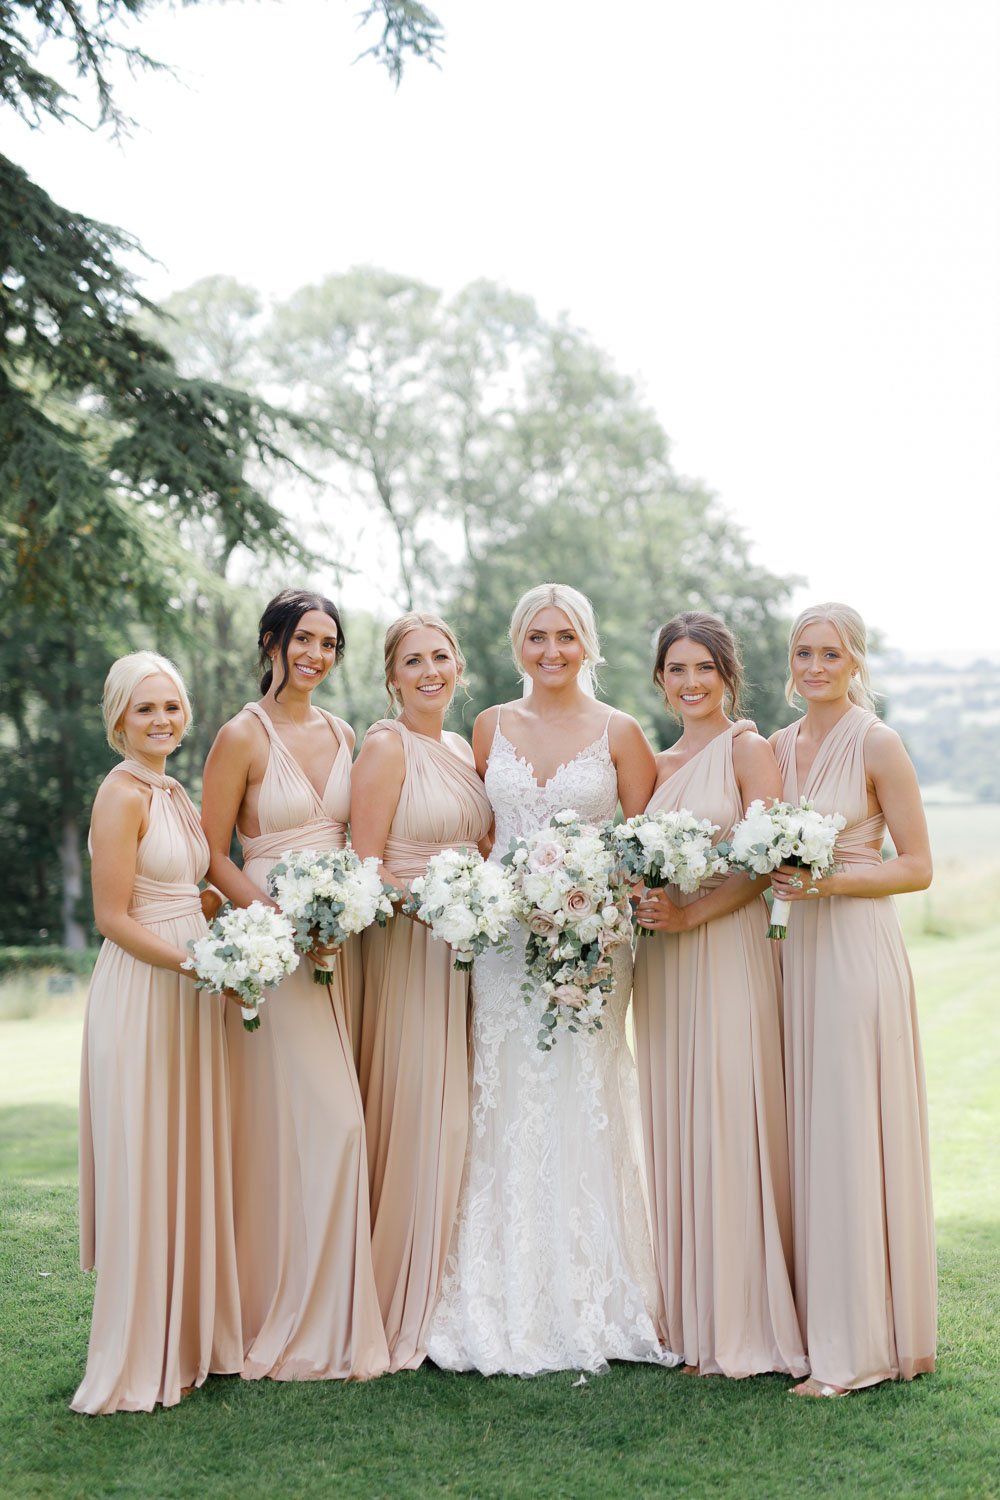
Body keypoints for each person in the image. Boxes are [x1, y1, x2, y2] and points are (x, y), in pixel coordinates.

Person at [426, 583, 670, 1375]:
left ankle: (597, 1291)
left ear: (589, 643)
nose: (552, 650)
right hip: (501, 945)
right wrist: (504, 897)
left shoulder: (622, 732)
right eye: (537, 636)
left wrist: (588, 907)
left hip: (595, 945)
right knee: (504, 1093)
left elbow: (641, 850)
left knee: (580, 1092)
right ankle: (501, 1293)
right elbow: (486, 830)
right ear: (516, 643)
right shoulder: (490, 725)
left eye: (566, 636)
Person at [201, 589, 389, 1381]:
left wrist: (338, 912)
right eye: (303, 639)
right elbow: (211, 853)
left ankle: (323, 1311)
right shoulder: (241, 735)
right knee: (330, 1126)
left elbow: (353, 838)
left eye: (330, 643)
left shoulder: (345, 733)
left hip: (336, 945)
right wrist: (277, 919)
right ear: (272, 642)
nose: (316, 654)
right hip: (271, 951)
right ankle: (298, 1318)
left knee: (311, 1131)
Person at [632, 613, 807, 1378]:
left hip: (726, 945)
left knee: (730, 1116)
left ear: (728, 675)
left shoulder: (749, 749)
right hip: (663, 962)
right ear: (660, 679)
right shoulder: (656, 763)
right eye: (677, 669)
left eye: (705, 667)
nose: (692, 682)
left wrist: (692, 911)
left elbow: (767, 862)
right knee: (677, 1121)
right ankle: (690, 1322)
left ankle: (742, 1321)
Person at [770, 603, 936, 1396]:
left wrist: (824, 882)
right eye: (803, 653)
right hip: (795, 956)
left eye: (830, 654)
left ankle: (858, 1349)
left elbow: (918, 866)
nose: (814, 667)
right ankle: (812, 1327)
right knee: (810, 1132)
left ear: (855, 662)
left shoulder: (877, 742)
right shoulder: (776, 746)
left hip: (855, 949)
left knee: (847, 1130)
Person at [73, 652, 242, 1414]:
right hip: (148, 991)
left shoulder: (171, 790)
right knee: (147, 1160)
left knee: (186, 1156)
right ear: (118, 719)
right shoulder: (120, 794)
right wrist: (193, 963)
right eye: (146, 709)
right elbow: (114, 917)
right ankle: (138, 1351)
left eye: (171, 707)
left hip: (191, 986)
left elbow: (183, 890)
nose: (162, 721)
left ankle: (188, 1339)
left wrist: (221, 927)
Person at [351, 614, 493, 1371]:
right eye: (414, 660)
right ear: (393, 676)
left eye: (441, 657)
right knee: (422, 1112)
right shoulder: (385, 746)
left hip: (470, 953)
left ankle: (458, 1285)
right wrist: (440, 902)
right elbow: (366, 867)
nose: (429, 670)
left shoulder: (462, 750)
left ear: (460, 667)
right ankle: (401, 1292)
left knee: (467, 1113)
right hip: (411, 949)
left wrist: (479, 901)